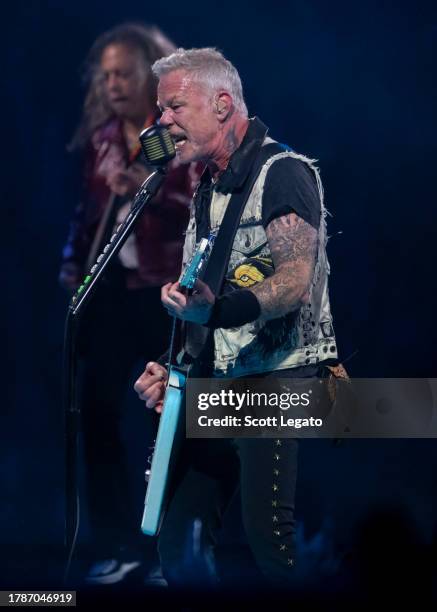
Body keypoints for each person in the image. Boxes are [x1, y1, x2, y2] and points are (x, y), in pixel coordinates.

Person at [134, 47, 338, 589]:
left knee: (269, 537)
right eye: (161, 111)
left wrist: (216, 310)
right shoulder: (207, 187)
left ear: (222, 105)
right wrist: (169, 362)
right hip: (217, 379)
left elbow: (293, 282)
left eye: (174, 107)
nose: (162, 123)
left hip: (272, 377)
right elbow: (204, 294)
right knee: (180, 536)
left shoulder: (284, 172)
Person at [59, 24, 198, 585]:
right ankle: (116, 541)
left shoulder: (163, 132)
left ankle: (169, 545)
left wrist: (144, 183)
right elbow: (86, 215)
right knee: (95, 409)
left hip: (164, 289)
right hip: (114, 290)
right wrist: (72, 264)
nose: (114, 84)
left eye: (125, 73)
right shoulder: (101, 140)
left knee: (168, 416)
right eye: (107, 75)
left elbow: (185, 192)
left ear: (151, 75)